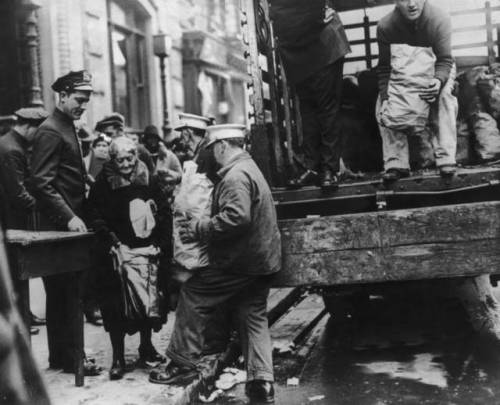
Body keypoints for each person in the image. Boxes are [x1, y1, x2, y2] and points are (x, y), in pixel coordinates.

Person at [150, 124, 281, 404]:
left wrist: (201, 227)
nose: (210, 156)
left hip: (241, 262)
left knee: (194, 293)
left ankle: (181, 363)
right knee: (252, 315)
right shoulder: (249, 168)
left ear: (222, 146)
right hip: (262, 261)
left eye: (211, 150)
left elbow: (237, 218)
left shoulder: (235, 176)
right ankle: (261, 383)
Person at [30, 70, 101, 376]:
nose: (83, 105)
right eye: (79, 99)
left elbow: (66, 173)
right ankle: (75, 359)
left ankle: (62, 357)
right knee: (70, 293)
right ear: (62, 96)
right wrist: (70, 217)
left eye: (86, 101)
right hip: (60, 226)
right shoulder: (51, 130)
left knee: (61, 293)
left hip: (65, 223)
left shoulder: (65, 126)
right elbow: (41, 183)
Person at [86, 137, 168, 380]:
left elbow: (163, 210)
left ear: (136, 156)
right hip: (117, 252)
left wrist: (160, 244)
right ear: (112, 159)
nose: (125, 163)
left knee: (148, 303)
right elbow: (94, 214)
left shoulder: (148, 176)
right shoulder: (103, 181)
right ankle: (118, 357)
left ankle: (146, 347)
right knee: (115, 306)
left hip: (146, 251)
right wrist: (112, 241)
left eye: (129, 158)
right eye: (119, 159)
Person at [271, 0, 351, 190]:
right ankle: (311, 168)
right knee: (307, 110)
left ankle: (329, 170)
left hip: (322, 43)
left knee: (326, 108)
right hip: (295, 46)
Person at [376, 0, 457, 181]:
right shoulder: (385, 26)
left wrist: (438, 81)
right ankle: (396, 163)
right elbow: (384, 69)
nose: (412, 4)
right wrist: (386, 97)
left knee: (444, 96)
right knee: (383, 105)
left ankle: (446, 159)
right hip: (403, 71)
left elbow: (445, 60)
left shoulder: (439, 18)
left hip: (436, 68)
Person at [0, 107, 49, 336]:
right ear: (29, 126)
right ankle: (19, 322)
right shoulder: (12, 149)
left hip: (11, 219)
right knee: (15, 272)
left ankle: (23, 317)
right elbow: (18, 194)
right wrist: (44, 207)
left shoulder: (11, 143)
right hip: (11, 220)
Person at [174, 113, 218, 180]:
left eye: (182, 136)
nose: (181, 142)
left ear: (189, 132)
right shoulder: (203, 150)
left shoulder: (206, 153)